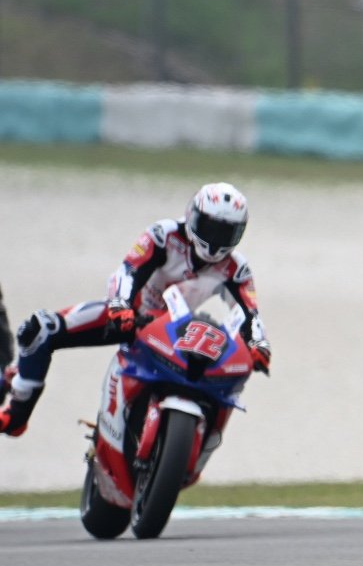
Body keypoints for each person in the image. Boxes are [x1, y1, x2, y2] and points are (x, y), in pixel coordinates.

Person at [0, 183, 271, 437]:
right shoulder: (164, 235)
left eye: (226, 232)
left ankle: (192, 435)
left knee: (221, 371)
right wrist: (121, 305)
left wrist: (258, 345)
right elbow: (129, 271)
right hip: (129, 318)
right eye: (209, 227)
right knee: (39, 329)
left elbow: (250, 313)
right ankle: (16, 416)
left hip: (174, 336)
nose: (215, 239)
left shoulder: (236, 268)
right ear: (192, 215)